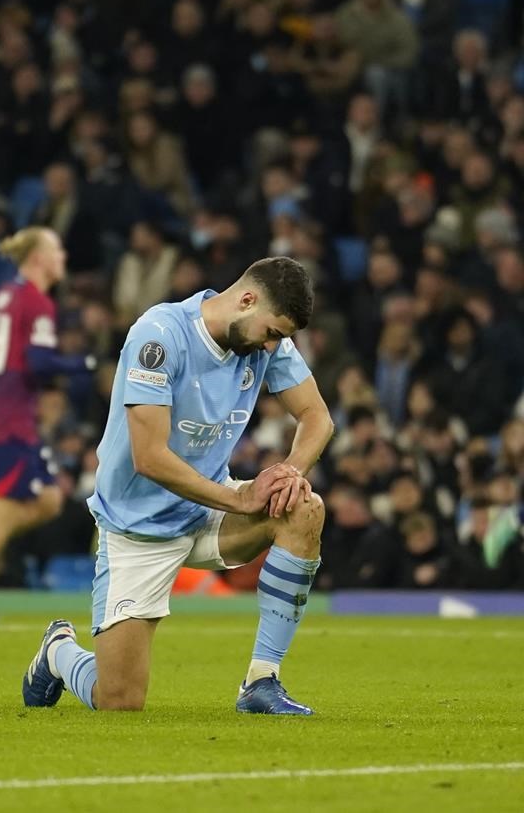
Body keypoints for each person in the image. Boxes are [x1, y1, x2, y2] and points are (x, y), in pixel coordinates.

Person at [22, 256, 334, 715]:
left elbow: (317, 418)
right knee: (119, 701)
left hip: (206, 512)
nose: (274, 346)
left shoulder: (266, 347)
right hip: (138, 528)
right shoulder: (161, 336)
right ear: (247, 300)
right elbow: (151, 458)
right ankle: (58, 652)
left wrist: (291, 470)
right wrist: (238, 496)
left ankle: (261, 681)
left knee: (304, 507)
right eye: (272, 333)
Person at [0, 226, 96, 620]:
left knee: (49, 500)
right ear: (39, 258)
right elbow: (41, 363)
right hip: (9, 418)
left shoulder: (4, 294)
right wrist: (83, 364)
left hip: (5, 412)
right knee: (8, 507)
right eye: (57, 249)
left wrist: (1, 363)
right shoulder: (37, 302)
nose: (63, 256)